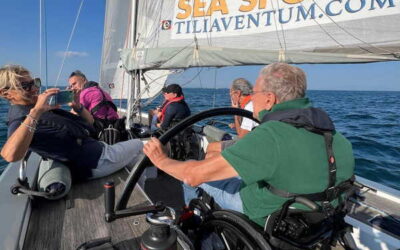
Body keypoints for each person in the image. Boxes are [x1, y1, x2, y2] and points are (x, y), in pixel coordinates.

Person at [143, 62, 355, 227]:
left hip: (270, 214)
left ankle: (191, 220)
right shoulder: (335, 135)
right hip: (319, 217)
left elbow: (192, 175)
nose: (252, 97)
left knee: (193, 177)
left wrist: (161, 159)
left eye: (255, 93)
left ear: (270, 99)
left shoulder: (271, 135)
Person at [0, 65, 143, 181]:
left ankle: (134, 182)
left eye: (35, 82)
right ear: (6, 94)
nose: (35, 89)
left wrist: (77, 106)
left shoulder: (39, 108)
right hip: (98, 161)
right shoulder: (21, 119)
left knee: (137, 157)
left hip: (98, 151)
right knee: (141, 145)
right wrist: (36, 111)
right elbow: (10, 155)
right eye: (26, 86)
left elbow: (90, 122)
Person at [206, 78, 258, 157]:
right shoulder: (252, 103)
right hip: (254, 141)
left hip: (252, 146)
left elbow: (241, 137)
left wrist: (235, 111)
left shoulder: (249, 107)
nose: (230, 97)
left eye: (231, 94)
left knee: (211, 148)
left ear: (237, 93)